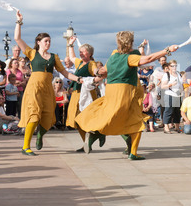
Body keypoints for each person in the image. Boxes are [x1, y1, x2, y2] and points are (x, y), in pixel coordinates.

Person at [74, 30, 179, 160]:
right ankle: (132, 152)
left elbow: (103, 72)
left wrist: (96, 73)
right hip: (125, 91)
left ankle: (96, 134)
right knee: (135, 121)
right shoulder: (130, 58)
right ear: (130, 43)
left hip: (112, 90)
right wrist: (167, 50)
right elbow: (148, 59)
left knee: (111, 115)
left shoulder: (113, 56)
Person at [14, 10, 83, 156]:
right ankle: (25, 147)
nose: (48, 43)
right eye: (46, 41)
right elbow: (17, 38)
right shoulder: (32, 53)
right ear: (38, 42)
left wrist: (78, 78)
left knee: (49, 119)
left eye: (50, 41)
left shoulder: (54, 57)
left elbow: (64, 73)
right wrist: (19, 22)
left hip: (47, 89)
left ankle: (40, 135)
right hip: (33, 88)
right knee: (34, 116)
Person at [65, 37, 99, 149]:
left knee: (85, 118)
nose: (81, 53)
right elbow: (72, 57)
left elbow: (95, 70)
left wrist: (97, 73)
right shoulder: (79, 63)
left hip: (86, 94)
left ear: (89, 53)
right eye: (80, 51)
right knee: (75, 119)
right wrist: (70, 44)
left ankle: (96, 135)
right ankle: (86, 143)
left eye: (83, 51)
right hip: (76, 94)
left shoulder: (91, 63)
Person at [161, 59, 183, 134]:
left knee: (177, 111)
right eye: (172, 66)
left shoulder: (178, 74)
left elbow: (181, 84)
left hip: (178, 94)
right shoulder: (166, 74)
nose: (174, 67)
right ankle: (166, 127)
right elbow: (162, 86)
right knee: (168, 110)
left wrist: (181, 90)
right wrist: (170, 84)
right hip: (169, 94)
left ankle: (177, 127)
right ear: (169, 66)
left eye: (175, 66)